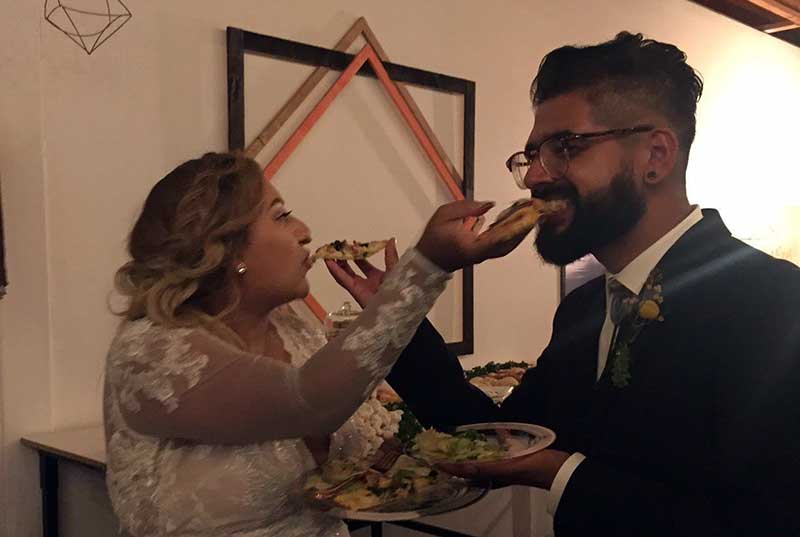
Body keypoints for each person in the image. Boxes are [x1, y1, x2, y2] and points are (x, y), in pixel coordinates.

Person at [328, 32, 800, 536]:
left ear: (656, 156)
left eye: (565, 148)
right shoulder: (584, 310)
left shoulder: (774, 303)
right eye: (530, 156)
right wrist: (397, 314)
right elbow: (489, 438)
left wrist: (561, 473)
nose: (534, 176)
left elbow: (768, 521)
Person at [102, 151, 517, 537]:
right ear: (226, 249)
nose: (304, 233)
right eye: (281, 216)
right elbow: (308, 401)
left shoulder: (290, 329)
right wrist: (426, 267)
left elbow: (348, 461)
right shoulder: (152, 352)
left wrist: (419, 463)